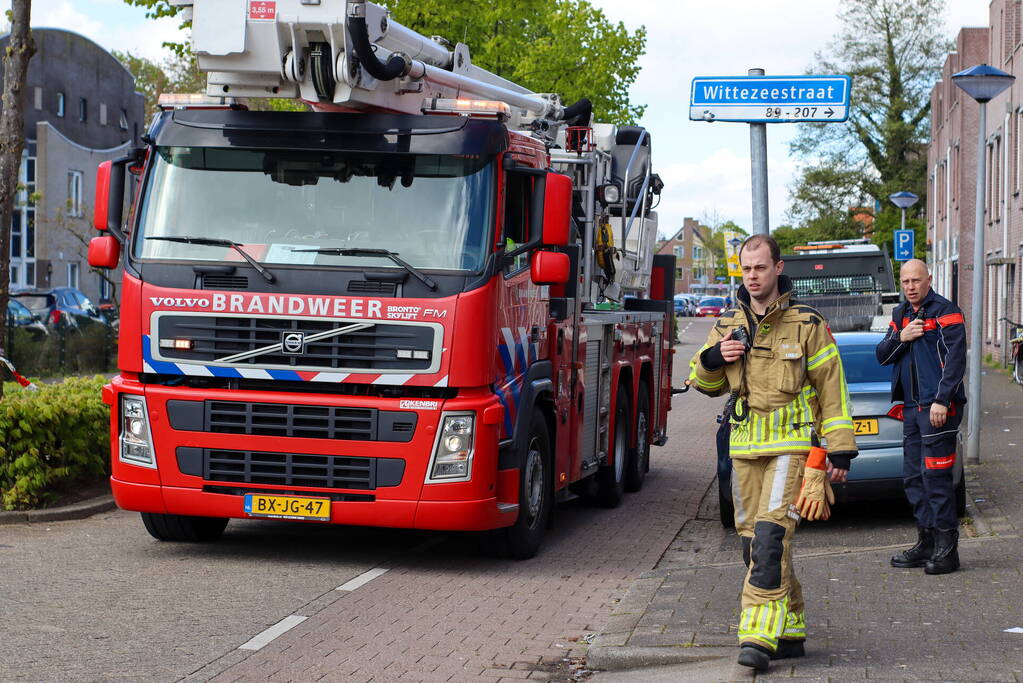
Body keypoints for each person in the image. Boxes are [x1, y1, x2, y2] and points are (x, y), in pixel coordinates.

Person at [690, 234, 857, 672]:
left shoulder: (807, 323)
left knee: (769, 542)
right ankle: (792, 626)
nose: (752, 276)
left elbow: (832, 391)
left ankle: (758, 635)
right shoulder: (728, 322)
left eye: (760, 267)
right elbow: (706, 387)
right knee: (755, 547)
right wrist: (711, 357)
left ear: (778, 268)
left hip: (792, 445)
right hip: (743, 448)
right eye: (746, 268)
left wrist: (838, 452)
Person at [875, 259, 967, 575]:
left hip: (938, 408)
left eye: (916, 281)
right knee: (913, 478)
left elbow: (956, 360)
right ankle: (926, 543)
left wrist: (942, 400)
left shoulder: (946, 311)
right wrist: (902, 337)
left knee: (937, 478)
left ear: (929, 279)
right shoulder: (900, 315)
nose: (910, 287)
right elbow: (882, 355)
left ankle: (947, 549)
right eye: (905, 282)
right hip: (912, 409)